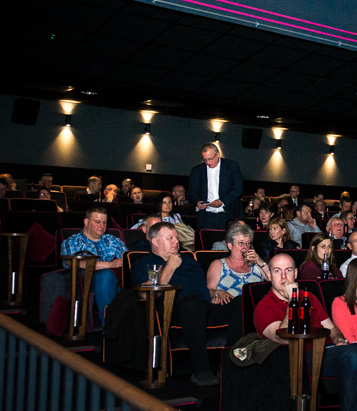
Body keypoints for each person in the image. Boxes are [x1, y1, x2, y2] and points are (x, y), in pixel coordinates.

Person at [253, 252, 357, 411]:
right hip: (304, 360)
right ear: (269, 275)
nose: (283, 276)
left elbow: (331, 328)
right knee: (353, 356)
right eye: (277, 271)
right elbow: (283, 337)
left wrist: (340, 339)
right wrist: (293, 300)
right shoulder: (264, 308)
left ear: (296, 274)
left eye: (288, 270)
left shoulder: (310, 297)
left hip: (330, 352)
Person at [130, 223, 218, 386]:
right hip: (173, 312)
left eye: (176, 237)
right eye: (170, 238)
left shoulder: (189, 261)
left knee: (240, 305)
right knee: (192, 304)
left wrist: (217, 293)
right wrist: (170, 267)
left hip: (204, 307)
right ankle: (201, 370)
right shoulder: (144, 263)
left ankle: (230, 366)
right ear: (155, 242)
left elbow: (204, 290)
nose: (176, 241)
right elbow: (147, 294)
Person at [59, 206, 124, 326]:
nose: (102, 226)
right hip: (87, 284)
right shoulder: (72, 242)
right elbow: (74, 262)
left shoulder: (113, 240)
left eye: (104, 222)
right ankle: (109, 327)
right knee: (106, 275)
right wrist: (110, 264)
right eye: (97, 222)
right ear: (86, 222)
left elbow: (127, 258)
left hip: (118, 281)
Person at [189, 143, 243, 231]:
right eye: (205, 159)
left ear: (218, 154)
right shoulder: (197, 171)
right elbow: (191, 192)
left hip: (228, 214)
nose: (207, 162)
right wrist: (197, 203)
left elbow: (238, 187)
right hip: (207, 216)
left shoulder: (231, 166)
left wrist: (222, 201)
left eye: (210, 159)